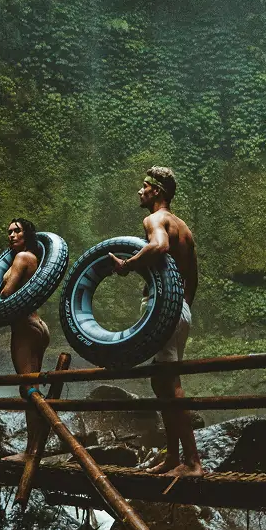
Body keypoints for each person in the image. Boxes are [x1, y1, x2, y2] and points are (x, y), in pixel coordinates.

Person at [109, 166, 204, 477]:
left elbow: (159, 246)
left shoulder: (155, 220)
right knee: (160, 380)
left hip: (166, 309)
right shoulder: (184, 228)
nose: (140, 191)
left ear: (157, 192)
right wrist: (181, 305)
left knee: (168, 381)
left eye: (144, 186)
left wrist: (127, 265)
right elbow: (193, 276)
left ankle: (192, 463)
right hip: (180, 309)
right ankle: (174, 458)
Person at [0, 218, 50, 463]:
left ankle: (31, 452)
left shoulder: (21, 259)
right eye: (9, 232)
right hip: (38, 325)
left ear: (27, 234)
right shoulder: (33, 259)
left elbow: (7, 293)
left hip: (24, 327)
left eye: (16, 231)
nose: (11, 235)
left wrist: (1, 289)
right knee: (34, 387)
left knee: (28, 388)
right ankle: (37, 445)